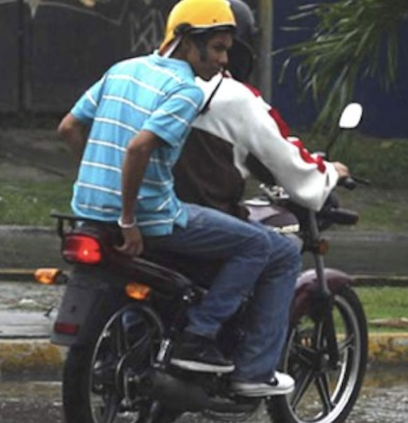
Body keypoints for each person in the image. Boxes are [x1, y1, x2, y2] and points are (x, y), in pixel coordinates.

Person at [56, 0, 294, 397]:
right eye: (216, 48)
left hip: (88, 213)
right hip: (151, 217)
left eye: (226, 50)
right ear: (185, 41)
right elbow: (138, 149)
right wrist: (129, 219)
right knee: (262, 245)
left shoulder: (123, 68)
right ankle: (200, 337)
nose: (222, 60)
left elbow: (68, 127)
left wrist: (105, 179)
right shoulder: (185, 89)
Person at [170, 0, 350, 396]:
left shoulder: (143, 79)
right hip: (194, 217)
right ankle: (252, 369)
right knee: (279, 253)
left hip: (133, 212)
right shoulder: (234, 96)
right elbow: (286, 155)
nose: (223, 57)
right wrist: (327, 175)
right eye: (219, 47)